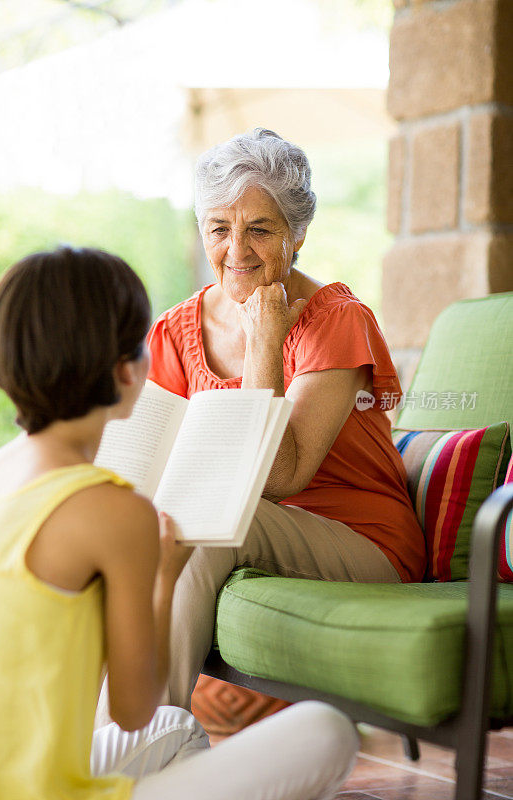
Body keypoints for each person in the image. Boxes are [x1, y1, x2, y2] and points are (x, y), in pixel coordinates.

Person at [0, 245, 358, 800]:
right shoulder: (113, 511)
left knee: (178, 729)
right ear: (128, 370)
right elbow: (133, 708)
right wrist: (164, 576)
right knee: (327, 731)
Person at [146, 128, 427, 710]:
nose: (237, 250)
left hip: (361, 540)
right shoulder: (175, 330)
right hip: (249, 527)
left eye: (260, 229)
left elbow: (279, 476)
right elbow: (149, 462)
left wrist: (265, 342)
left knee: (209, 524)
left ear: (298, 235)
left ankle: (138, 744)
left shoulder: (336, 320)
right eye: (220, 229)